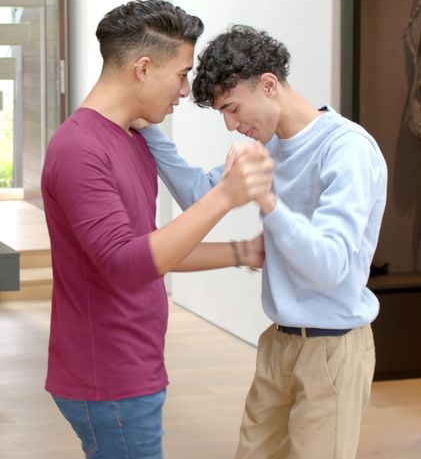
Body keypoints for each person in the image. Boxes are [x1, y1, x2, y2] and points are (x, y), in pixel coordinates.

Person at [138, 24, 388, 458]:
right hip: (279, 341)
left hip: (332, 346)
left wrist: (267, 201)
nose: (232, 125)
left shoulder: (347, 150)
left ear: (269, 84)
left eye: (233, 108)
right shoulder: (271, 147)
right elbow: (200, 195)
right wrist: (147, 128)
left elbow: (330, 265)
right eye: (223, 115)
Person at [42, 1, 275, 459]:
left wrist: (244, 251)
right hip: (109, 375)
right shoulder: (79, 149)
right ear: (143, 68)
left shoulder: (133, 138)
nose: (185, 90)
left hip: (132, 365)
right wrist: (224, 197)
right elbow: (125, 266)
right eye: (182, 74)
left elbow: (150, 251)